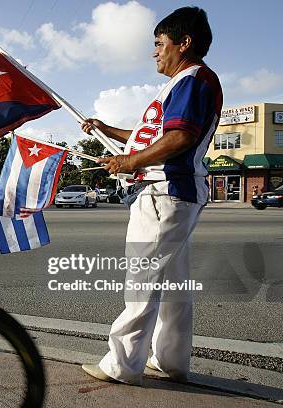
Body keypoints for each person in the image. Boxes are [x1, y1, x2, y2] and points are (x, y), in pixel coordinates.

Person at [80, 7, 222, 385]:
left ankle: (122, 365)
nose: (154, 52)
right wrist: (105, 128)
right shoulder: (185, 82)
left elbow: (179, 138)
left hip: (164, 193)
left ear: (184, 43)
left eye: (159, 44)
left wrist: (130, 162)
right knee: (172, 283)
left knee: (143, 281)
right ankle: (170, 361)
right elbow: (154, 135)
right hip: (173, 193)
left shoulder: (191, 80)